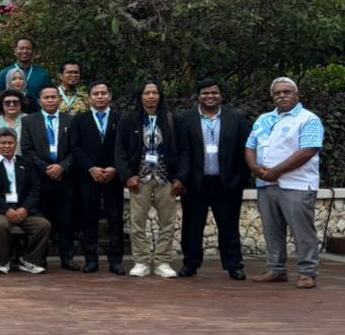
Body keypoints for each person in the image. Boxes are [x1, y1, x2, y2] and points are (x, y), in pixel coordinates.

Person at [246, 77, 323, 289]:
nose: (282, 95)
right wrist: (255, 168)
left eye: (287, 92)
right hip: (266, 184)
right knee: (272, 230)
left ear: (297, 95)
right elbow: (250, 145)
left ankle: (308, 272)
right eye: (278, 93)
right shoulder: (263, 119)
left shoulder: (308, 119)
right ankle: (276, 269)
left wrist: (276, 171)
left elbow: (308, 150)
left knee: (302, 231)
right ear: (272, 97)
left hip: (297, 184)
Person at [176, 80, 249, 279]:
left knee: (229, 225)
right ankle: (190, 264)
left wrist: (240, 178)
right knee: (192, 226)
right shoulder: (185, 119)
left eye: (214, 93)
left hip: (227, 183)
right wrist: (181, 178)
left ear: (221, 95)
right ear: (198, 96)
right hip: (195, 183)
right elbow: (182, 151)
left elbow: (245, 150)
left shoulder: (237, 118)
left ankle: (234, 265)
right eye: (205, 93)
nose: (210, 96)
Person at [117, 81, 184, 279]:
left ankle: (163, 261)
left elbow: (185, 150)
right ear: (140, 96)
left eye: (155, 92)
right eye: (147, 93)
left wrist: (180, 177)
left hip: (166, 178)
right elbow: (120, 149)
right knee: (138, 222)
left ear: (160, 96)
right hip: (140, 178)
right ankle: (141, 262)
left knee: (167, 222)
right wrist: (128, 175)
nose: (151, 96)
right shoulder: (129, 119)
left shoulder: (173, 119)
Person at [19, 86, 79, 270]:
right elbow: (27, 150)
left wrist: (62, 166)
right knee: (43, 220)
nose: (51, 100)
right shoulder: (29, 121)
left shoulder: (71, 120)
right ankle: (40, 258)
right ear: (39, 101)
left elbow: (76, 148)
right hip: (40, 178)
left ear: (60, 100)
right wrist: (47, 168)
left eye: (54, 97)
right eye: (46, 97)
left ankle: (67, 257)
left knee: (66, 219)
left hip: (65, 177)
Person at [0, 129, 50, 274]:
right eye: (3, 143)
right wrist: (6, 209)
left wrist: (25, 208)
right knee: (1, 224)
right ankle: (2, 262)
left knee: (43, 225)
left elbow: (35, 189)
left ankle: (30, 260)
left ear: (16, 144)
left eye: (10, 143)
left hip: (23, 210)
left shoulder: (26, 163)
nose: (7, 146)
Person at [72, 82, 125, 275]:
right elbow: (75, 147)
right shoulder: (80, 119)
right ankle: (91, 260)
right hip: (89, 176)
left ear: (110, 96)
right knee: (89, 218)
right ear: (90, 98)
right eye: (96, 93)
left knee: (115, 218)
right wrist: (91, 168)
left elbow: (125, 147)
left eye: (104, 93)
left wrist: (114, 167)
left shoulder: (121, 118)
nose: (100, 96)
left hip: (113, 175)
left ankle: (116, 261)